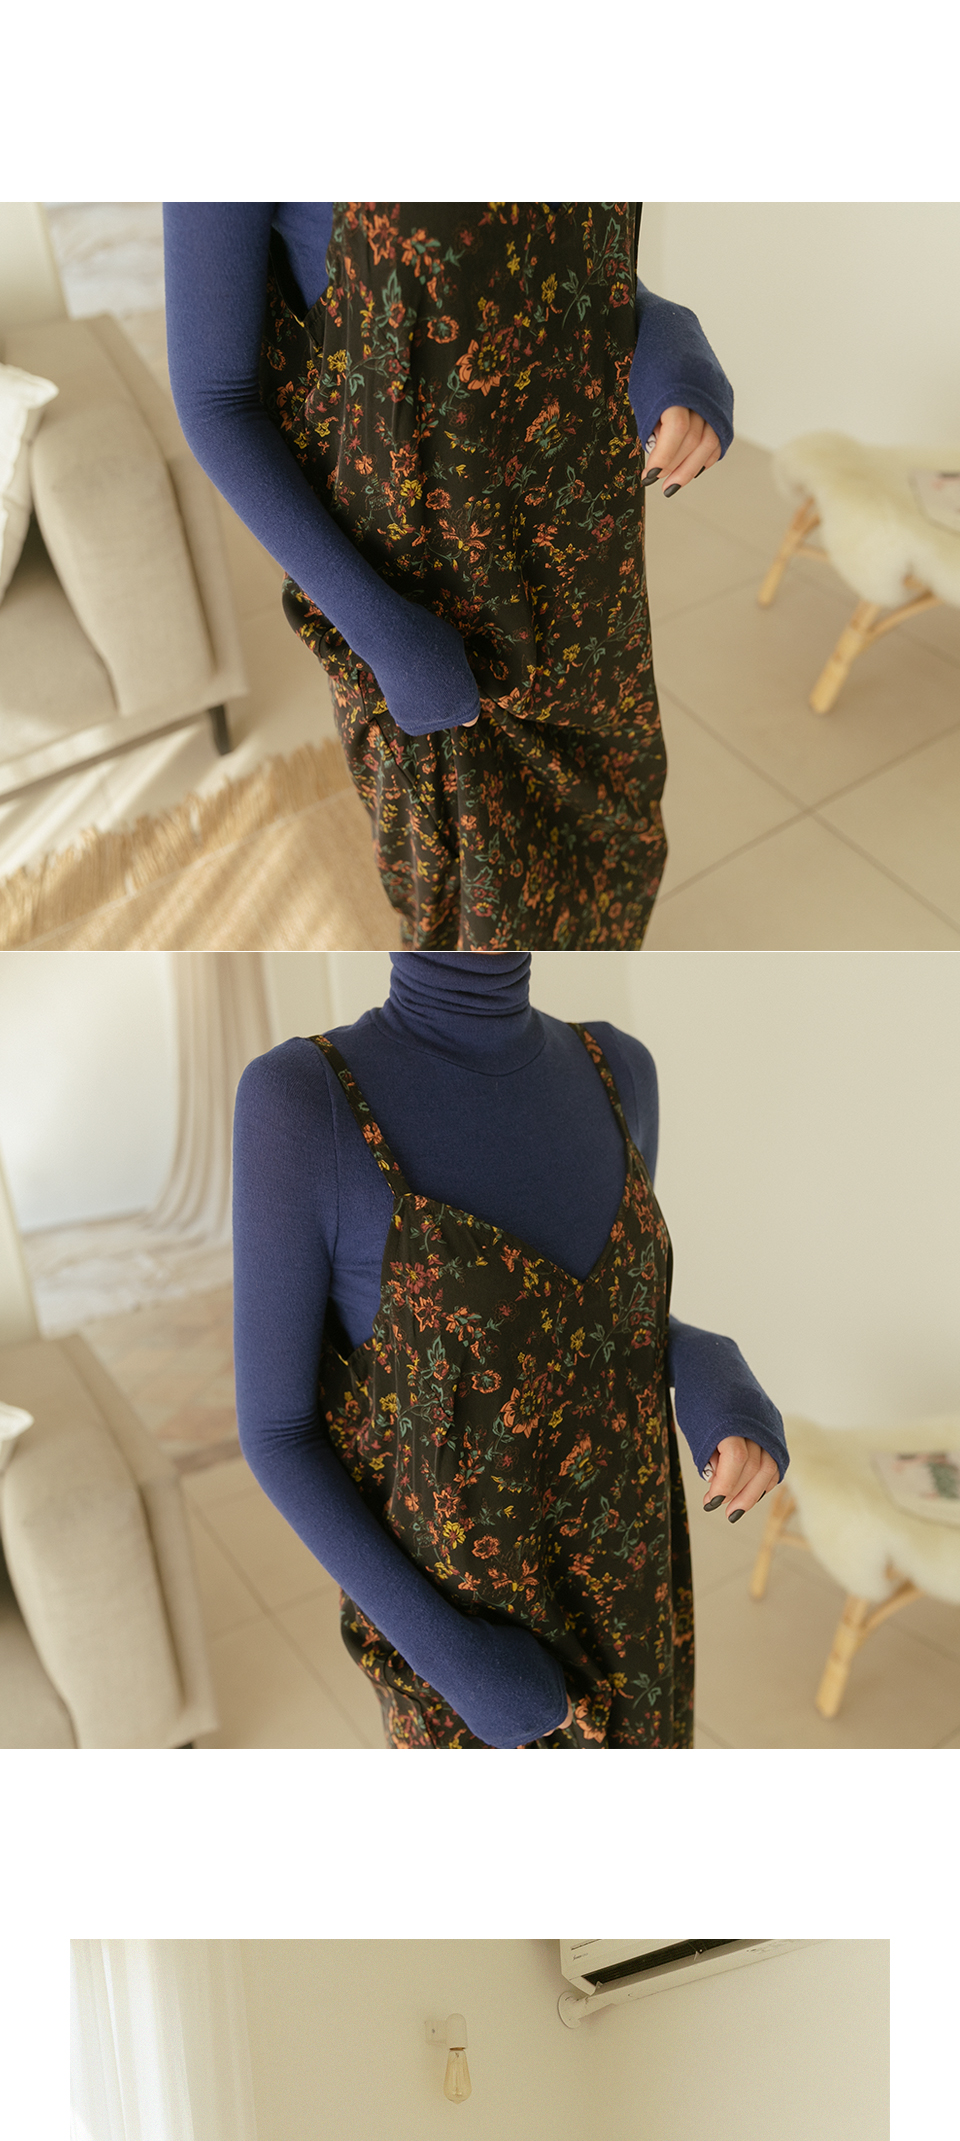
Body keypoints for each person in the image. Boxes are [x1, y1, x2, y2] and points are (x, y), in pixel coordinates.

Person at [233, 954, 785, 1751]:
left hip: (636, 1610)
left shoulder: (621, 1068)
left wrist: (706, 1361)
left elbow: (595, 1325)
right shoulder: (302, 1100)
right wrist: (458, 1662)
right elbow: (280, 1433)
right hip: (468, 1649)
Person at [164, 200, 734, 948]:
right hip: (429, 614)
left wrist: (668, 337)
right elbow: (219, 401)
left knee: (610, 857)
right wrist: (385, 635)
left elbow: (566, 263)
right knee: (472, 925)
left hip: (590, 575)